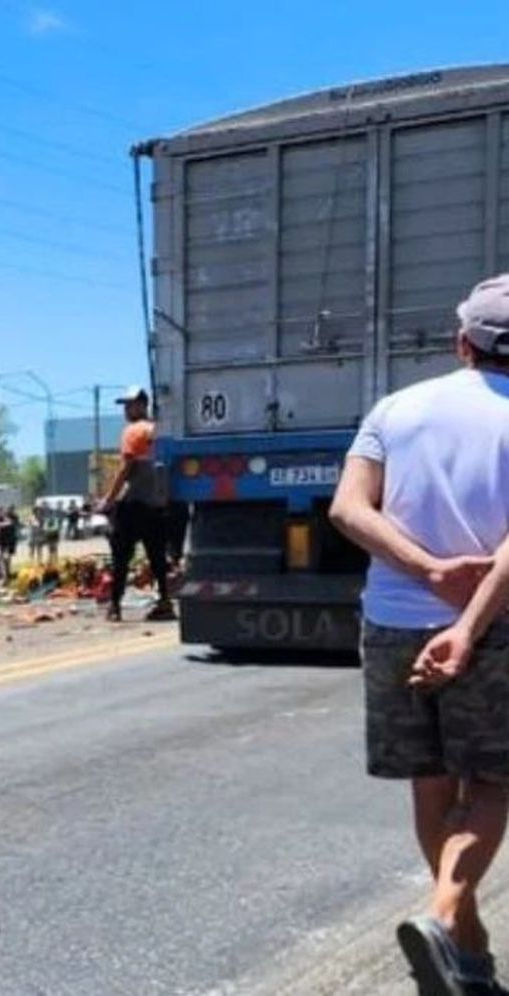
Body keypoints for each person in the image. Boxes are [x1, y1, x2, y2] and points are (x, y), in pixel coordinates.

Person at [331, 274, 509, 996]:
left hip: (393, 621)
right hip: (496, 625)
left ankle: (469, 953)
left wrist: (427, 569)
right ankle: (445, 916)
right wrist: (467, 624)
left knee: (432, 787)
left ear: (461, 341)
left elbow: (348, 509)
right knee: (496, 782)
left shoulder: (395, 408)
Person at [97, 387, 174, 623]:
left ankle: (115, 606)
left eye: (129, 405)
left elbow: (126, 468)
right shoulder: (160, 431)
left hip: (133, 505)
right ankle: (164, 602)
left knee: (121, 557)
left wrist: (108, 499)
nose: (126, 410)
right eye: (125, 405)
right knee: (158, 557)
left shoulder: (133, 431)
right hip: (157, 506)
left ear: (142, 405)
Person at [0, 507, 21, 577]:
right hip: (1, 542)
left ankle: (7, 572)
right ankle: (4, 574)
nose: (3, 513)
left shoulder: (9, 518)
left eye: (4, 512)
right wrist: (8, 523)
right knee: (2, 559)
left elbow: (15, 524)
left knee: (7, 558)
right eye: (1, 512)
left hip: (7, 542)